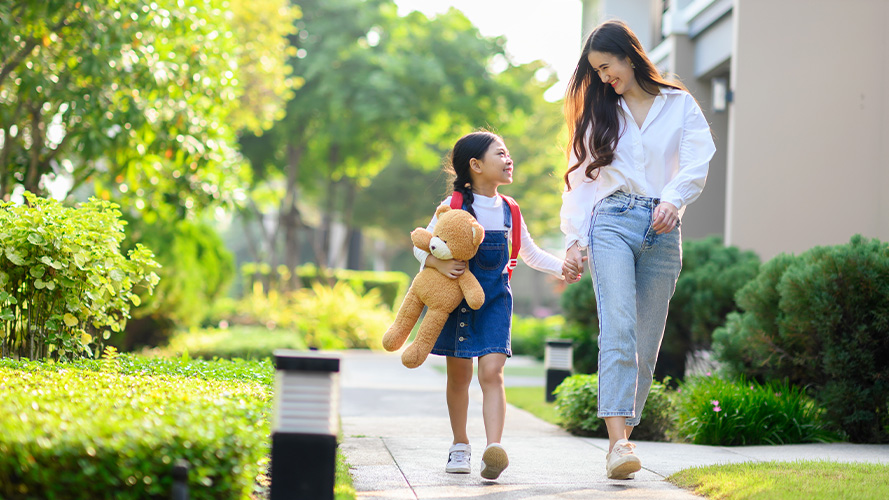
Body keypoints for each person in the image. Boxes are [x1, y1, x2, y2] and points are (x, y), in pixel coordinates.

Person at [559, 20, 716, 480]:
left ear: (629, 55)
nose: (605, 78)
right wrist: (574, 240)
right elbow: (581, 181)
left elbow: (697, 159)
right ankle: (618, 444)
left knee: (646, 345)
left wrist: (674, 199)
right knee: (619, 327)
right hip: (612, 221)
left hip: (664, 229)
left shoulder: (679, 104)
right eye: (598, 72)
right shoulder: (600, 114)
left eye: (607, 67)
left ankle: (624, 436)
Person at [414, 131, 571, 480]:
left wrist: (564, 267)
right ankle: (460, 445)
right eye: (500, 153)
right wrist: (439, 265)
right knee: (460, 376)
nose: (508, 159)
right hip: (457, 301)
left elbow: (528, 252)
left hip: (496, 300)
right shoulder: (453, 207)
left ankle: (493, 449)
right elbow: (420, 247)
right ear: (476, 165)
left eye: (508, 153)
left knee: (492, 373)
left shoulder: (510, 209)